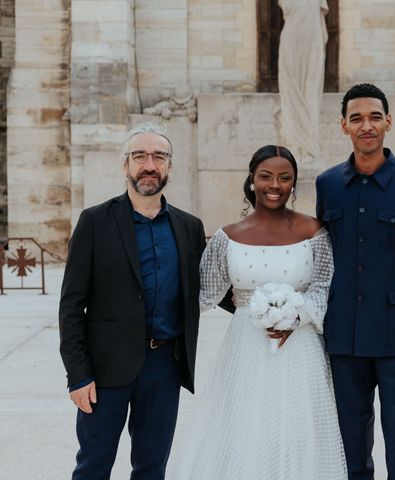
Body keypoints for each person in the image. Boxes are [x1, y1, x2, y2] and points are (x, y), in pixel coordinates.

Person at [58, 123, 230, 479]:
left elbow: (215, 288)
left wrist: (270, 301)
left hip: (164, 367)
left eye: (159, 156)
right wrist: (78, 375)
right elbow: (71, 306)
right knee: (93, 465)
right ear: (126, 165)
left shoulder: (189, 227)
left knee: (152, 467)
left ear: (169, 166)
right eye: (140, 156)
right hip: (104, 369)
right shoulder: (94, 222)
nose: (149, 164)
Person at [173, 145, 347, 479]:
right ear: (252, 180)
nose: (275, 185)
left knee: (299, 432)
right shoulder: (227, 238)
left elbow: (326, 286)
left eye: (285, 178)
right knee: (245, 429)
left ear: (294, 183)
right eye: (265, 176)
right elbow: (201, 294)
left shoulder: (314, 232)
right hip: (246, 348)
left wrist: (299, 316)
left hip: (302, 349)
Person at [315, 83, 395, 480]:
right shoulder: (328, 184)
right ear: (343, 126)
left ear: (389, 121)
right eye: (356, 118)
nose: (366, 125)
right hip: (344, 340)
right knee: (349, 453)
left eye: (374, 117)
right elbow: (323, 260)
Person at [278, 0, 328, 160]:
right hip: (291, 40)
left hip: (313, 40)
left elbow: (321, 23)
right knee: (290, 90)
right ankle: (293, 142)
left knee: (311, 93)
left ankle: (309, 145)